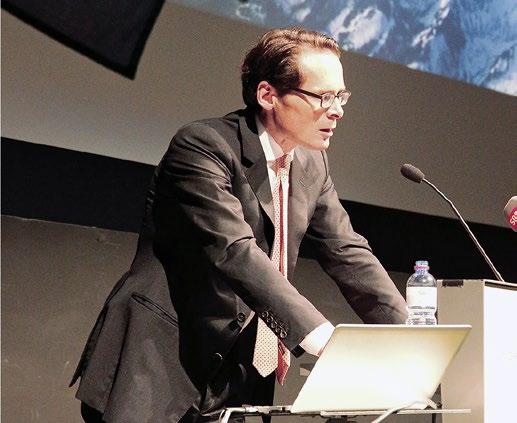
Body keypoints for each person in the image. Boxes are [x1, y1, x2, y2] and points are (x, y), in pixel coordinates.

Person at [71, 27, 407, 423]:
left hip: (237, 374)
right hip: (157, 362)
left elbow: (346, 250)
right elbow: (234, 251)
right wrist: (320, 337)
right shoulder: (203, 146)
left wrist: (410, 334)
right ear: (267, 95)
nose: (337, 110)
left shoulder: (312, 163)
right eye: (323, 97)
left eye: (341, 96)